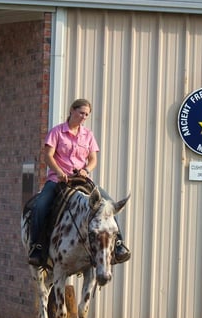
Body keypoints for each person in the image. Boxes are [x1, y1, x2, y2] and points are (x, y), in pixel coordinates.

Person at [28, 98, 131, 267]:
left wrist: (86, 169)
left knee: (110, 205)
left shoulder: (88, 135)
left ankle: (118, 245)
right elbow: (48, 156)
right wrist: (59, 171)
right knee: (40, 205)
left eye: (87, 114)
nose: (84, 117)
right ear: (72, 110)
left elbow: (93, 159)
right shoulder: (57, 132)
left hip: (82, 180)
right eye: (81, 113)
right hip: (59, 180)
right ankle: (37, 247)